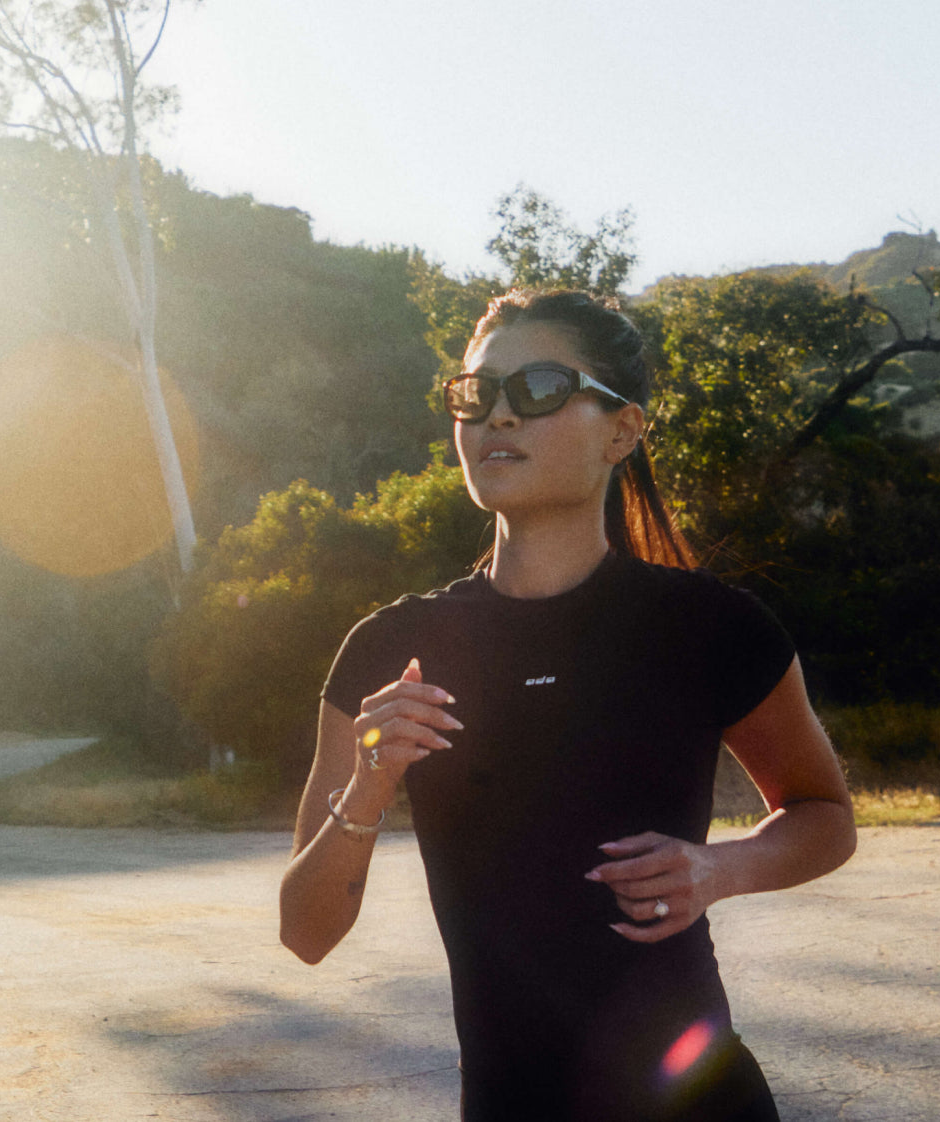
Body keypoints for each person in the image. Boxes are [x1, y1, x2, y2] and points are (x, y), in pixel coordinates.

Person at [279, 288, 857, 1121]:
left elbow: (824, 815)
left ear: (622, 430)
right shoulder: (390, 648)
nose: (499, 415)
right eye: (477, 394)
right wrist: (368, 787)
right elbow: (305, 933)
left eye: (540, 387)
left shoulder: (709, 626)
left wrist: (719, 869)